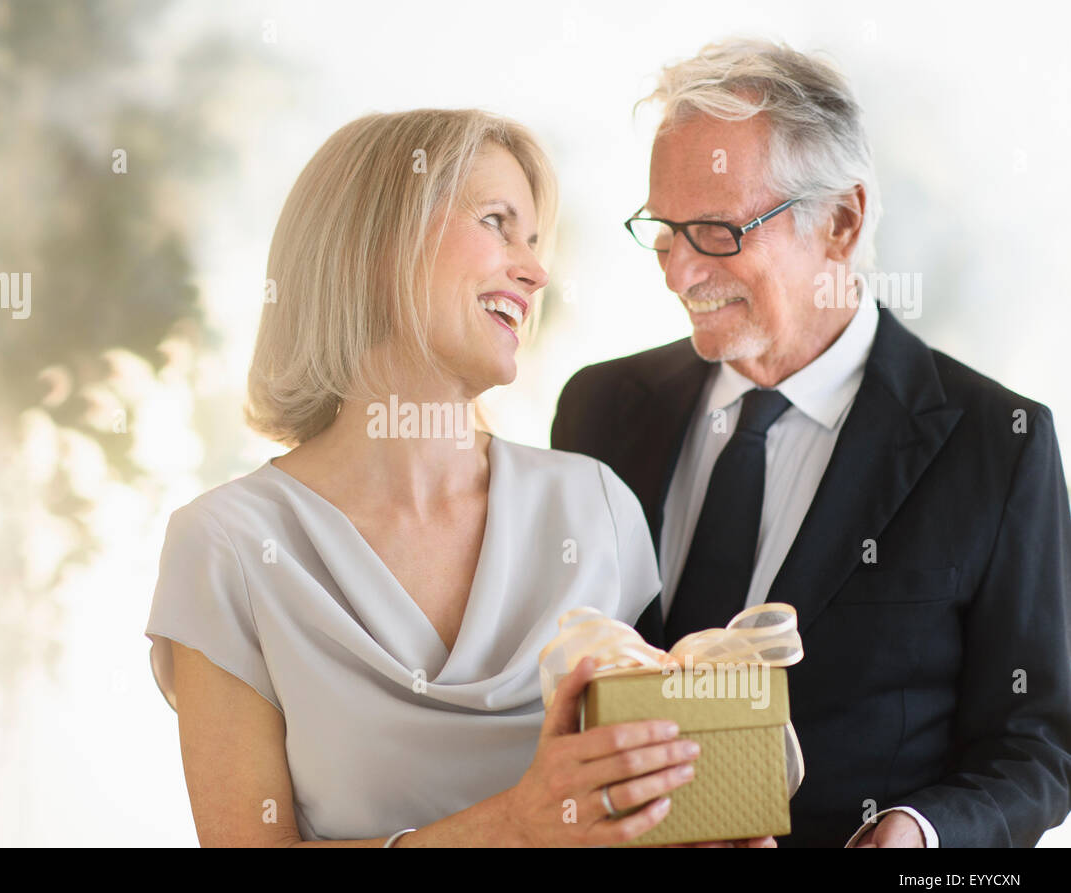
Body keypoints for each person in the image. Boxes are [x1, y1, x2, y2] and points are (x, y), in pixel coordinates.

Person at [144, 108, 756, 847]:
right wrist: (512, 828)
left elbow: (645, 807)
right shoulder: (228, 547)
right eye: (497, 222)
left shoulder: (595, 509)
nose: (534, 270)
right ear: (374, 246)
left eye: (534, 241)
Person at [552, 38, 1071, 847]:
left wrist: (918, 832)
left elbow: (1036, 747)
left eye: (717, 232)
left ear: (840, 220)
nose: (678, 274)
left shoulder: (998, 444)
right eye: (663, 230)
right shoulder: (599, 407)